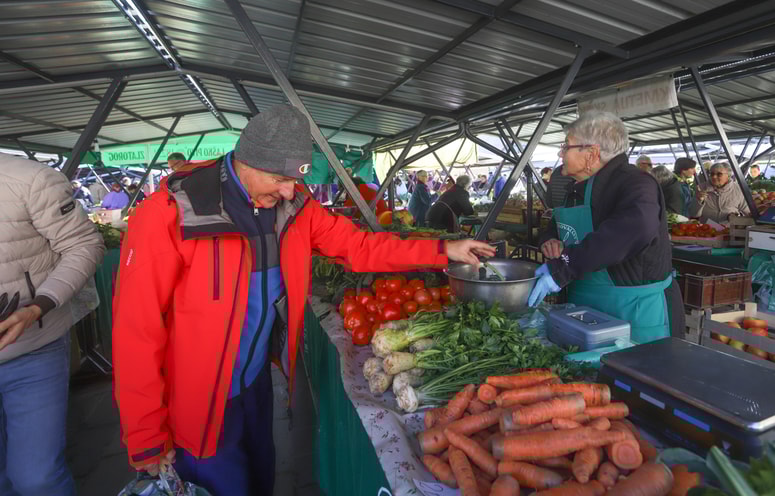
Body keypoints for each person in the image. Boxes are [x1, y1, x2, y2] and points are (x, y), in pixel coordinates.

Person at [111, 105, 495, 496]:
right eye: (280, 178)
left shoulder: (294, 209)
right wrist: (144, 436)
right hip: (197, 406)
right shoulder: (170, 214)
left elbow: (360, 247)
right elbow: (136, 332)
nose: (288, 192)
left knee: (261, 482)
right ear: (246, 162)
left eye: (295, 180)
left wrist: (444, 248)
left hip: (256, 387)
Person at [0, 153, 105, 495]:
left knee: (37, 477)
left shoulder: (30, 178)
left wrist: (38, 306)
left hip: (33, 350)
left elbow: (84, 244)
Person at [530, 111, 684, 343]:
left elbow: (634, 229)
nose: (561, 153)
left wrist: (564, 267)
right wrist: (549, 239)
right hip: (584, 308)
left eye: (567, 146)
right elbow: (556, 226)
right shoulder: (576, 189)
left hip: (633, 313)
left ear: (591, 154)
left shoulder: (635, 183)